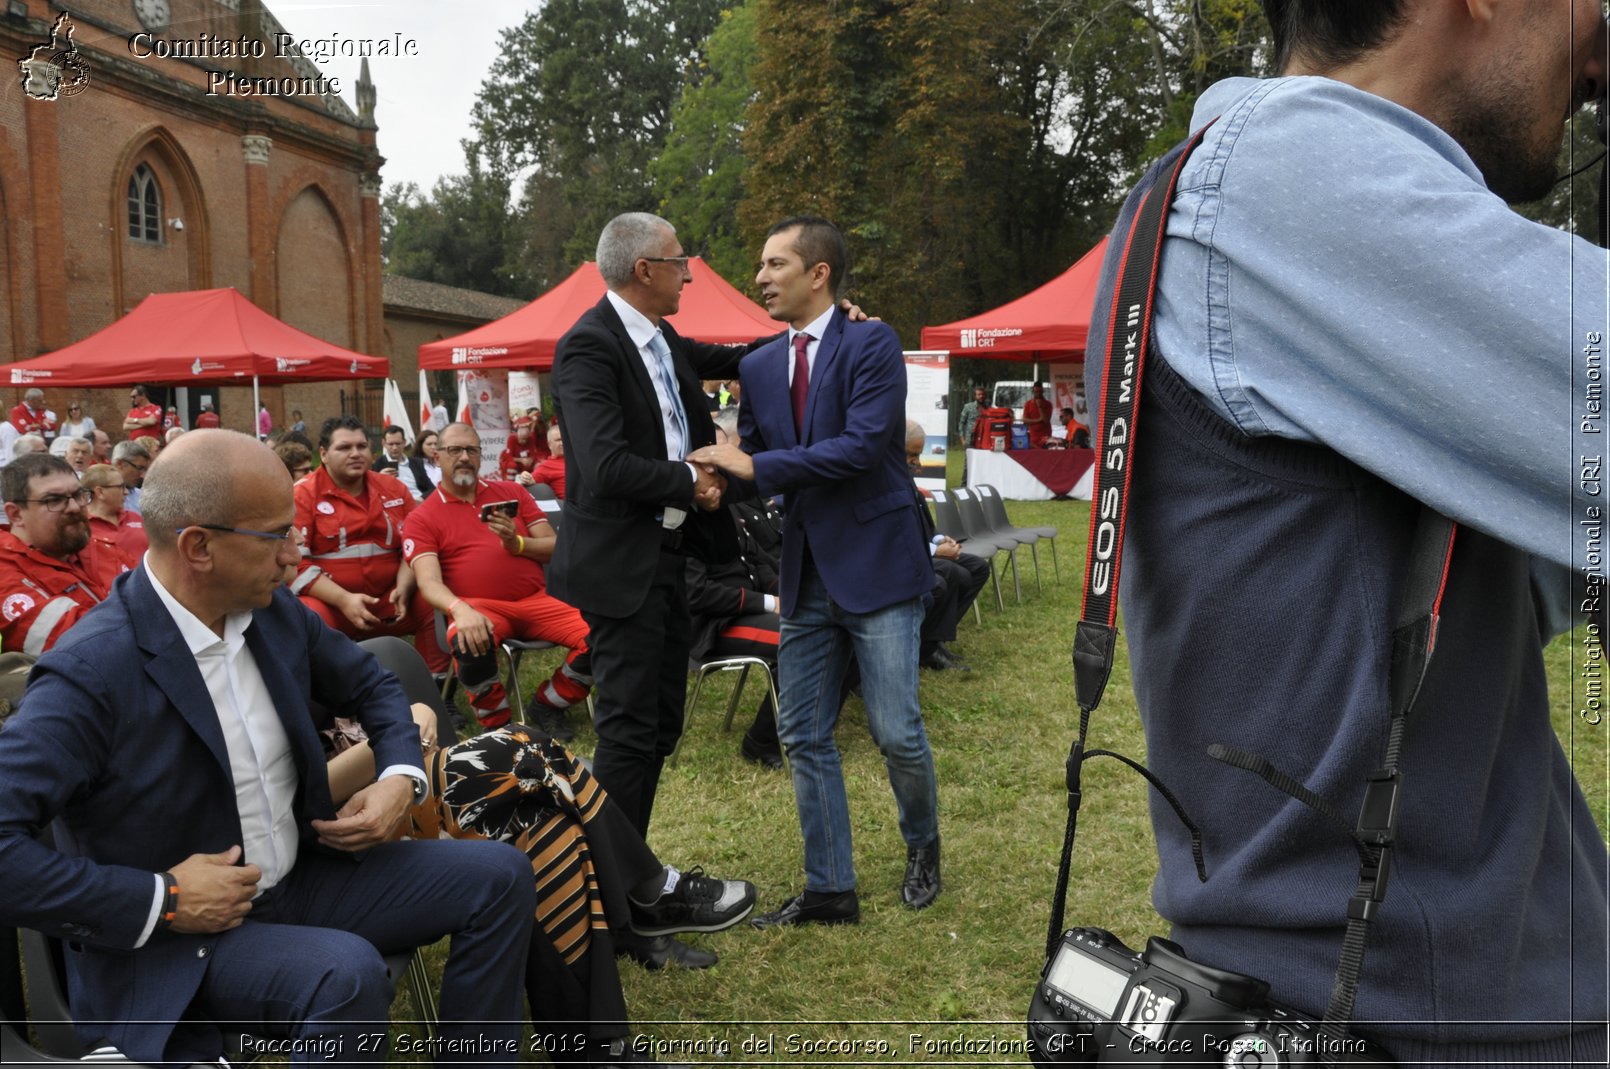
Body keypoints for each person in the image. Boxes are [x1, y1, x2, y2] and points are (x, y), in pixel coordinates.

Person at [1080, 2, 1609, 1064]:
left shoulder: (1211, 194)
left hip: (1409, 982)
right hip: (1419, 1009)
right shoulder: (1284, 176)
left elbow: (1525, 590)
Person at [691, 215, 941, 924]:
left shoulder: (874, 342)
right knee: (802, 732)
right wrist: (720, 483)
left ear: (818, 273)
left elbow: (863, 447)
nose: (760, 277)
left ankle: (923, 843)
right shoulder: (762, 364)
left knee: (897, 731)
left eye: (774, 264)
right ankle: (831, 888)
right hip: (806, 575)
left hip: (880, 567)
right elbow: (760, 458)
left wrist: (753, 464)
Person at [547, 212, 742, 848]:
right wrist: (692, 480)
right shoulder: (589, 345)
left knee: (659, 725)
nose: (689, 273)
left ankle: (630, 871)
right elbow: (603, 467)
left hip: (669, 556)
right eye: (680, 261)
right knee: (630, 731)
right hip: (622, 566)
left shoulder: (661, 338)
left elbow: (739, 358)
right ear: (645, 270)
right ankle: (617, 889)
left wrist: (816, 329)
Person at [402, 422, 594, 739]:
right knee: (466, 636)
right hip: (478, 607)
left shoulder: (513, 493)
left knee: (604, 635)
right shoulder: (423, 516)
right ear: (437, 457)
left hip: (538, 600)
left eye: (471, 450)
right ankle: (499, 726)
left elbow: (555, 548)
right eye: (454, 450)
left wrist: (517, 544)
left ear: (481, 456)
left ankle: (549, 703)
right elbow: (428, 582)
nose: (464, 457)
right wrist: (459, 609)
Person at [290, 416, 449, 678]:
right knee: (308, 615)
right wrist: (343, 600)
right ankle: (337, 703)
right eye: (344, 448)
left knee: (433, 600)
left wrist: (405, 584)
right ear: (324, 454)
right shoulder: (302, 494)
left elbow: (418, 543)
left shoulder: (394, 488)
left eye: (361, 446)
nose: (355, 454)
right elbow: (295, 563)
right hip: (332, 607)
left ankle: (436, 691)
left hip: (393, 601)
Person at [0, 453, 134, 656]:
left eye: (78, 495)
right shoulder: (5, 572)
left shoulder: (102, 549)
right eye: (54, 500)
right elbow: (83, 644)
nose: (74, 507)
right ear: (16, 514)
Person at [906, 421, 988, 672]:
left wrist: (940, 539)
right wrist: (935, 551)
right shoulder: (888, 483)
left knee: (977, 568)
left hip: (923, 549)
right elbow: (898, 538)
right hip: (906, 557)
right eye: (912, 454)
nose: (917, 462)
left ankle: (935, 638)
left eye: (918, 455)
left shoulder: (907, 480)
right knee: (951, 574)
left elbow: (925, 527)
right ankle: (927, 649)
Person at [82, 462, 148, 560]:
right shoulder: (81, 526)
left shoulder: (135, 517)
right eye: (120, 487)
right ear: (100, 492)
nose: (126, 492)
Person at [110, 439, 152, 513]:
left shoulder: (143, 497)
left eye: (145, 469)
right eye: (139, 468)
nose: (142, 475)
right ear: (120, 463)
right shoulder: (98, 496)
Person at [499, 416, 544, 482]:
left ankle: (534, 482)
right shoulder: (512, 439)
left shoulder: (531, 439)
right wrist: (521, 460)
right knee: (511, 465)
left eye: (526, 439)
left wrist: (531, 460)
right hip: (516, 462)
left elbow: (534, 454)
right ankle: (510, 483)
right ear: (517, 436)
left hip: (526, 463)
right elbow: (508, 457)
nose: (524, 441)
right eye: (522, 439)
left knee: (539, 464)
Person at [402, 427, 441, 500]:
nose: (433, 447)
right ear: (421, 446)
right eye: (429, 444)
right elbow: (434, 486)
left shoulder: (443, 463)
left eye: (436, 444)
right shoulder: (415, 465)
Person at [530, 422, 567, 497]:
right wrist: (525, 477)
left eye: (564, 439)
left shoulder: (579, 459)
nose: (562, 443)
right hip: (571, 505)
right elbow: (529, 481)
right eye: (558, 440)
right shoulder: (546, 466)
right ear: (549, 445)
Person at [1021, 382, 1052, 448]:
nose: (1038, 394)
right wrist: (1038, 420)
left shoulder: (1048, 404)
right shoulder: (1028, 404)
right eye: (1036, 392)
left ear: (1043, 391)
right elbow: (1025, 420)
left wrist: (1040, 407)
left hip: (1046, 438)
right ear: (1033, 392)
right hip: (1033, 437)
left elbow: (1046, 420)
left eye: (1040, 391)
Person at [957, 385, 985, 450]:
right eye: (979, 394)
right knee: (969, 460)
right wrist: (962, 440)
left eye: (983, 394)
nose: (981, 396)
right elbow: (961, 423)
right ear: (975, 396)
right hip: (970, 441)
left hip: (983, 442)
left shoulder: (988, 409)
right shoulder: (968, 407)